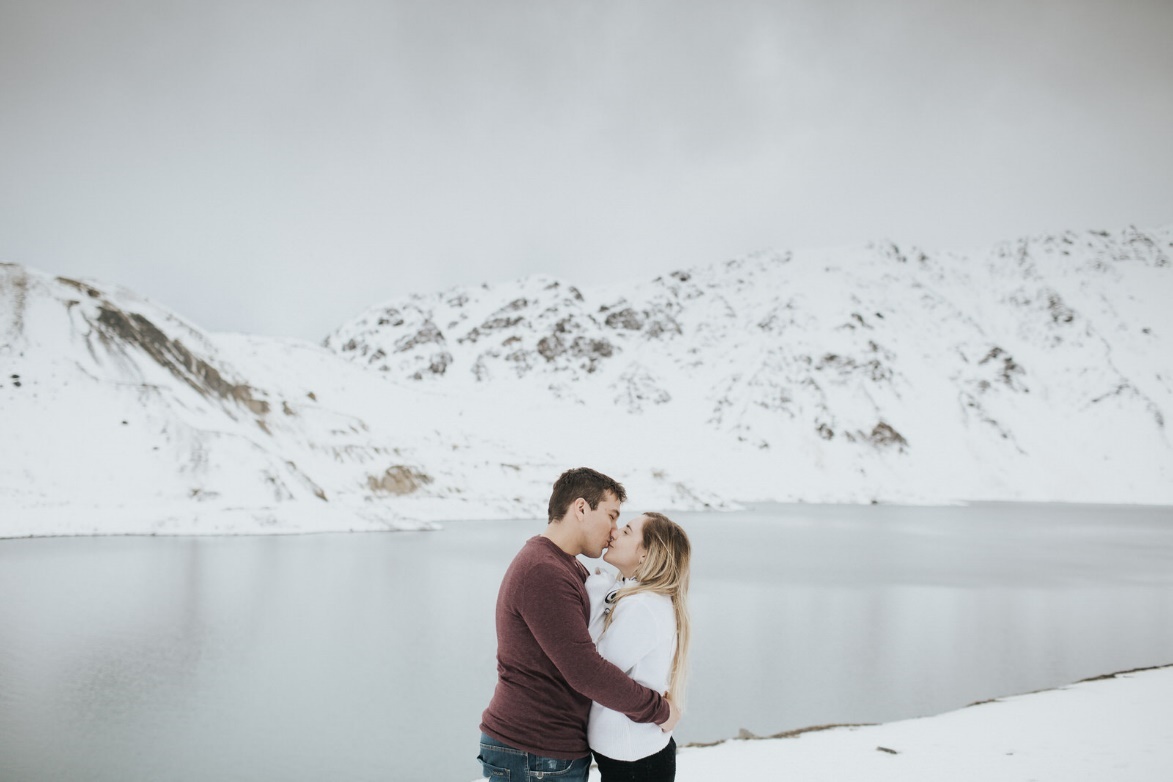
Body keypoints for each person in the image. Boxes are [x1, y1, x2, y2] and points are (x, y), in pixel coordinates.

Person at [478, 468, 680, 782]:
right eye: (612, 516)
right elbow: (586, 670)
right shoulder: (543, 571)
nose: (614, 530)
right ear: (582, 508)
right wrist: (660, 711)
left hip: (543, 750)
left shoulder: (567, 566)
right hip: (534, 750)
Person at [586, 512, 691, 782]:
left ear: (645, 554)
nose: (614, 532)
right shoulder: (634, 595)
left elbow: (596, 668)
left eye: (627, 531)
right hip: (631, 756)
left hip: (636, 762)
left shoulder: (645, 605)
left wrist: (597, 595)